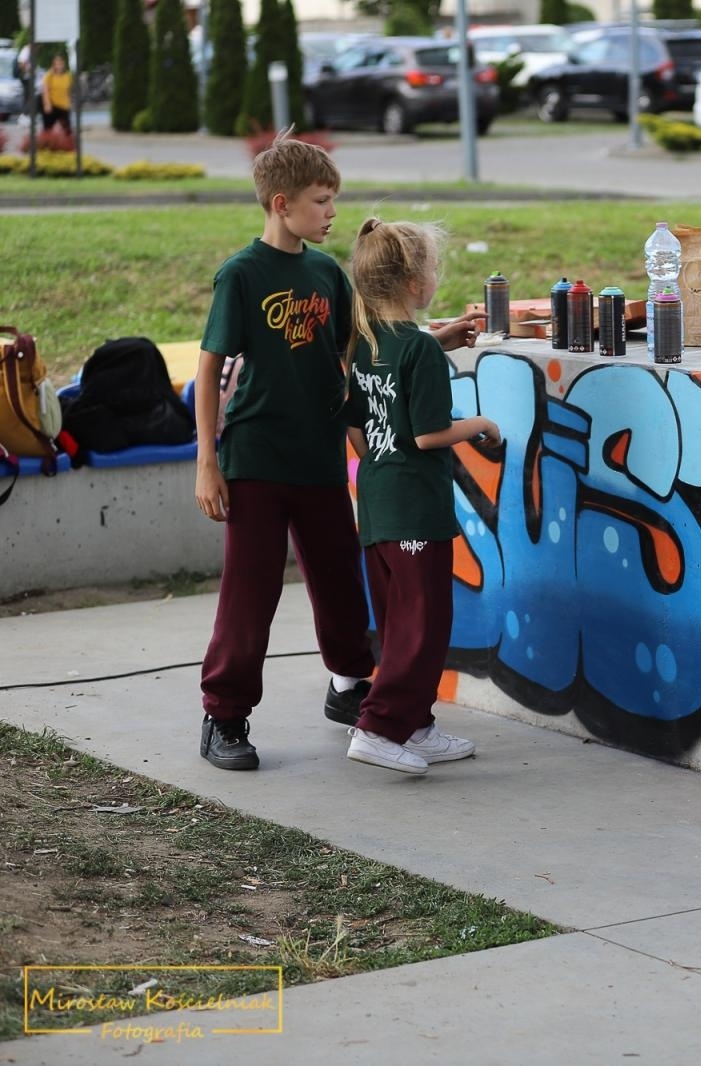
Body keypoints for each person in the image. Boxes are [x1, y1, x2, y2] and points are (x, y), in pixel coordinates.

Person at [193, 131, 482, 772]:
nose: (331, 213)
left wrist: (440, 339)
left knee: (342, 583)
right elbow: (209, 366)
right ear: (280, 203)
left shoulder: (326, 273)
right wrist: (207, 462)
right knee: (252, 592)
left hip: (321, 458)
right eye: (321, 201)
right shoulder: (241, 275)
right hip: (257, 460)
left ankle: (353, 688)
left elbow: (369, 347)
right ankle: (225, 714)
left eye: (334, 200)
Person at [343, 217, 498, 775]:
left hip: (378, 502)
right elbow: (428, 434)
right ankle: (378, 728)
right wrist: (478, 423)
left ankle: (415, 724)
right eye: (433, 266)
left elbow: (358, 429)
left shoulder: (363, 343)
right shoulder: (420, 353)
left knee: (398, 622)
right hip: (416, 511)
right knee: (424, 626)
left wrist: (440, 339)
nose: (436, 275)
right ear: (414, 283)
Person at [39, 53, 72, 135]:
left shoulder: (67, 76)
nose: (58, 66)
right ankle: (46, 145)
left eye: (60, 63)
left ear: (64, 64)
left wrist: (69, 103)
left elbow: (68, 91)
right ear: (53, 64)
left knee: (67, 130)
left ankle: (68, 146)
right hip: (52, 105)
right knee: (48, 128)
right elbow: (45, 91)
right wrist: (47, 104)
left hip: (63, 106)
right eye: (56, 63)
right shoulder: (49, 75)